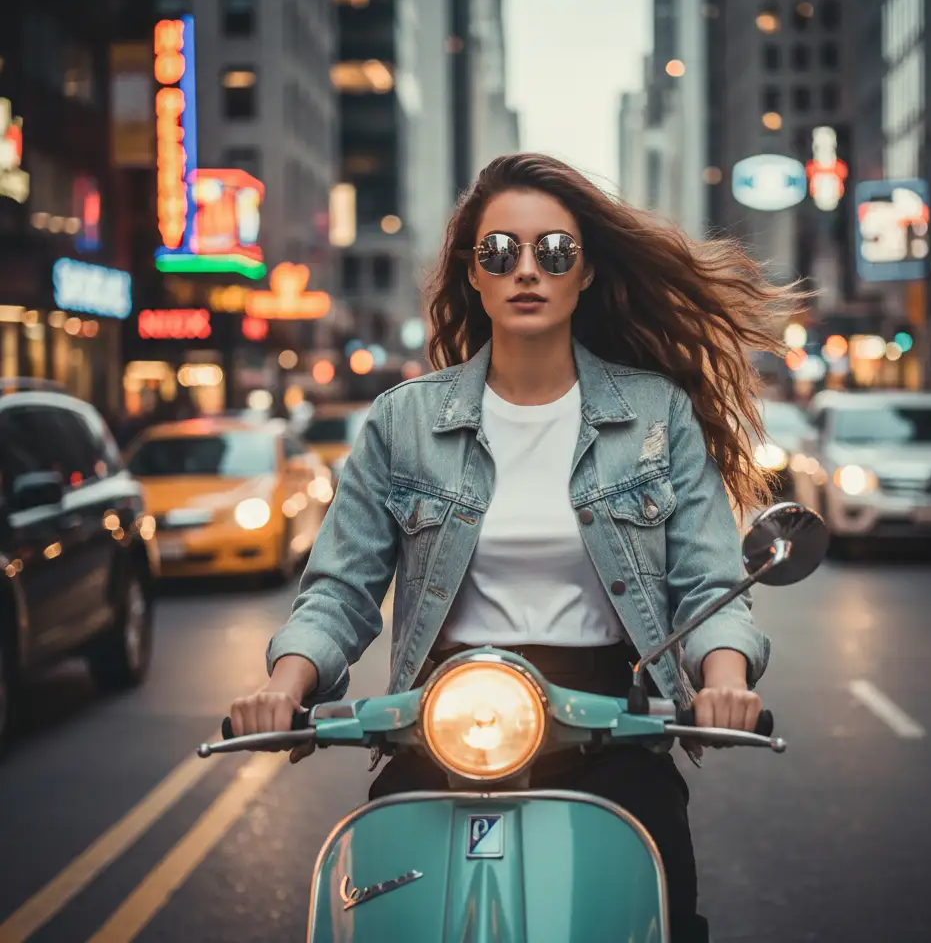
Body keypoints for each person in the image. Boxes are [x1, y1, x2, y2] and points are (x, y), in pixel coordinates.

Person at [229, 153, 798, 941]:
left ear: (586, 270)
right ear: (474, 274)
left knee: (657, 909)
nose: (526, 270)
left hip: (612, 722)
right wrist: (285, 687)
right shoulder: (403, 422)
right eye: (500, 252)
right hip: (439, 717)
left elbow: (706, 583)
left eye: (553, 252)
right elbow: (340, 588)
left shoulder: (655, 414)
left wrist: (723, 679)